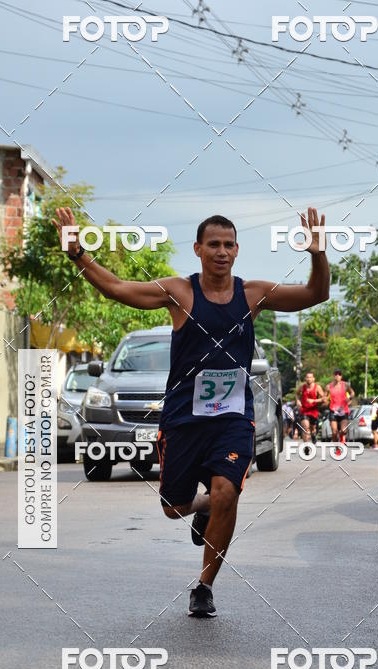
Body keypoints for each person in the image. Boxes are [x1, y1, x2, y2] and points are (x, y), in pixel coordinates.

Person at [53, 206, 330, 617]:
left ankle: (204, 586)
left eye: (229, 244)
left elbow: (315, 295)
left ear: (237, 250)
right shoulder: (179, 293)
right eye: (213, 244)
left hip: (233, 418)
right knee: (172, 507)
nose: (221, 251)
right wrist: (78, 253)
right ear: (198, 249)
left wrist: (317, 253)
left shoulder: (252, 294)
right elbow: (116, 288)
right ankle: (200, 508)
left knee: (227, 493)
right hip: (183, 418)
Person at [324, 369, 355, 444]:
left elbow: (352, 392)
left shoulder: (345, 385)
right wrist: (325, 400)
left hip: (344, 411)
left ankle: (341, 437)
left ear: (341, 376)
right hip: (333, 411)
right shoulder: (329, 386)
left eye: (339, 374)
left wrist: (350, 398)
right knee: (334, 432)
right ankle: (336, 447)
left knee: (344, 430)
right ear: (333, 375)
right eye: (336, 374)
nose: (337, 376)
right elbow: (325, 396)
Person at [296, 372, 324, 444]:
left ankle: (313, 435)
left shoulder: (317, 387)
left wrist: (314, 400)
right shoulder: (302, 387)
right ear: (305, 378)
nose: (309, 379)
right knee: (305, 428)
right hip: (304, 410)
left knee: (312, 429)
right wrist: (298, 401)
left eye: (310, 377)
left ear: (313, 379)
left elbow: (323, 398)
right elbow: (297, 394)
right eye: (307, 377)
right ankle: (306, 446)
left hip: (313, 411)